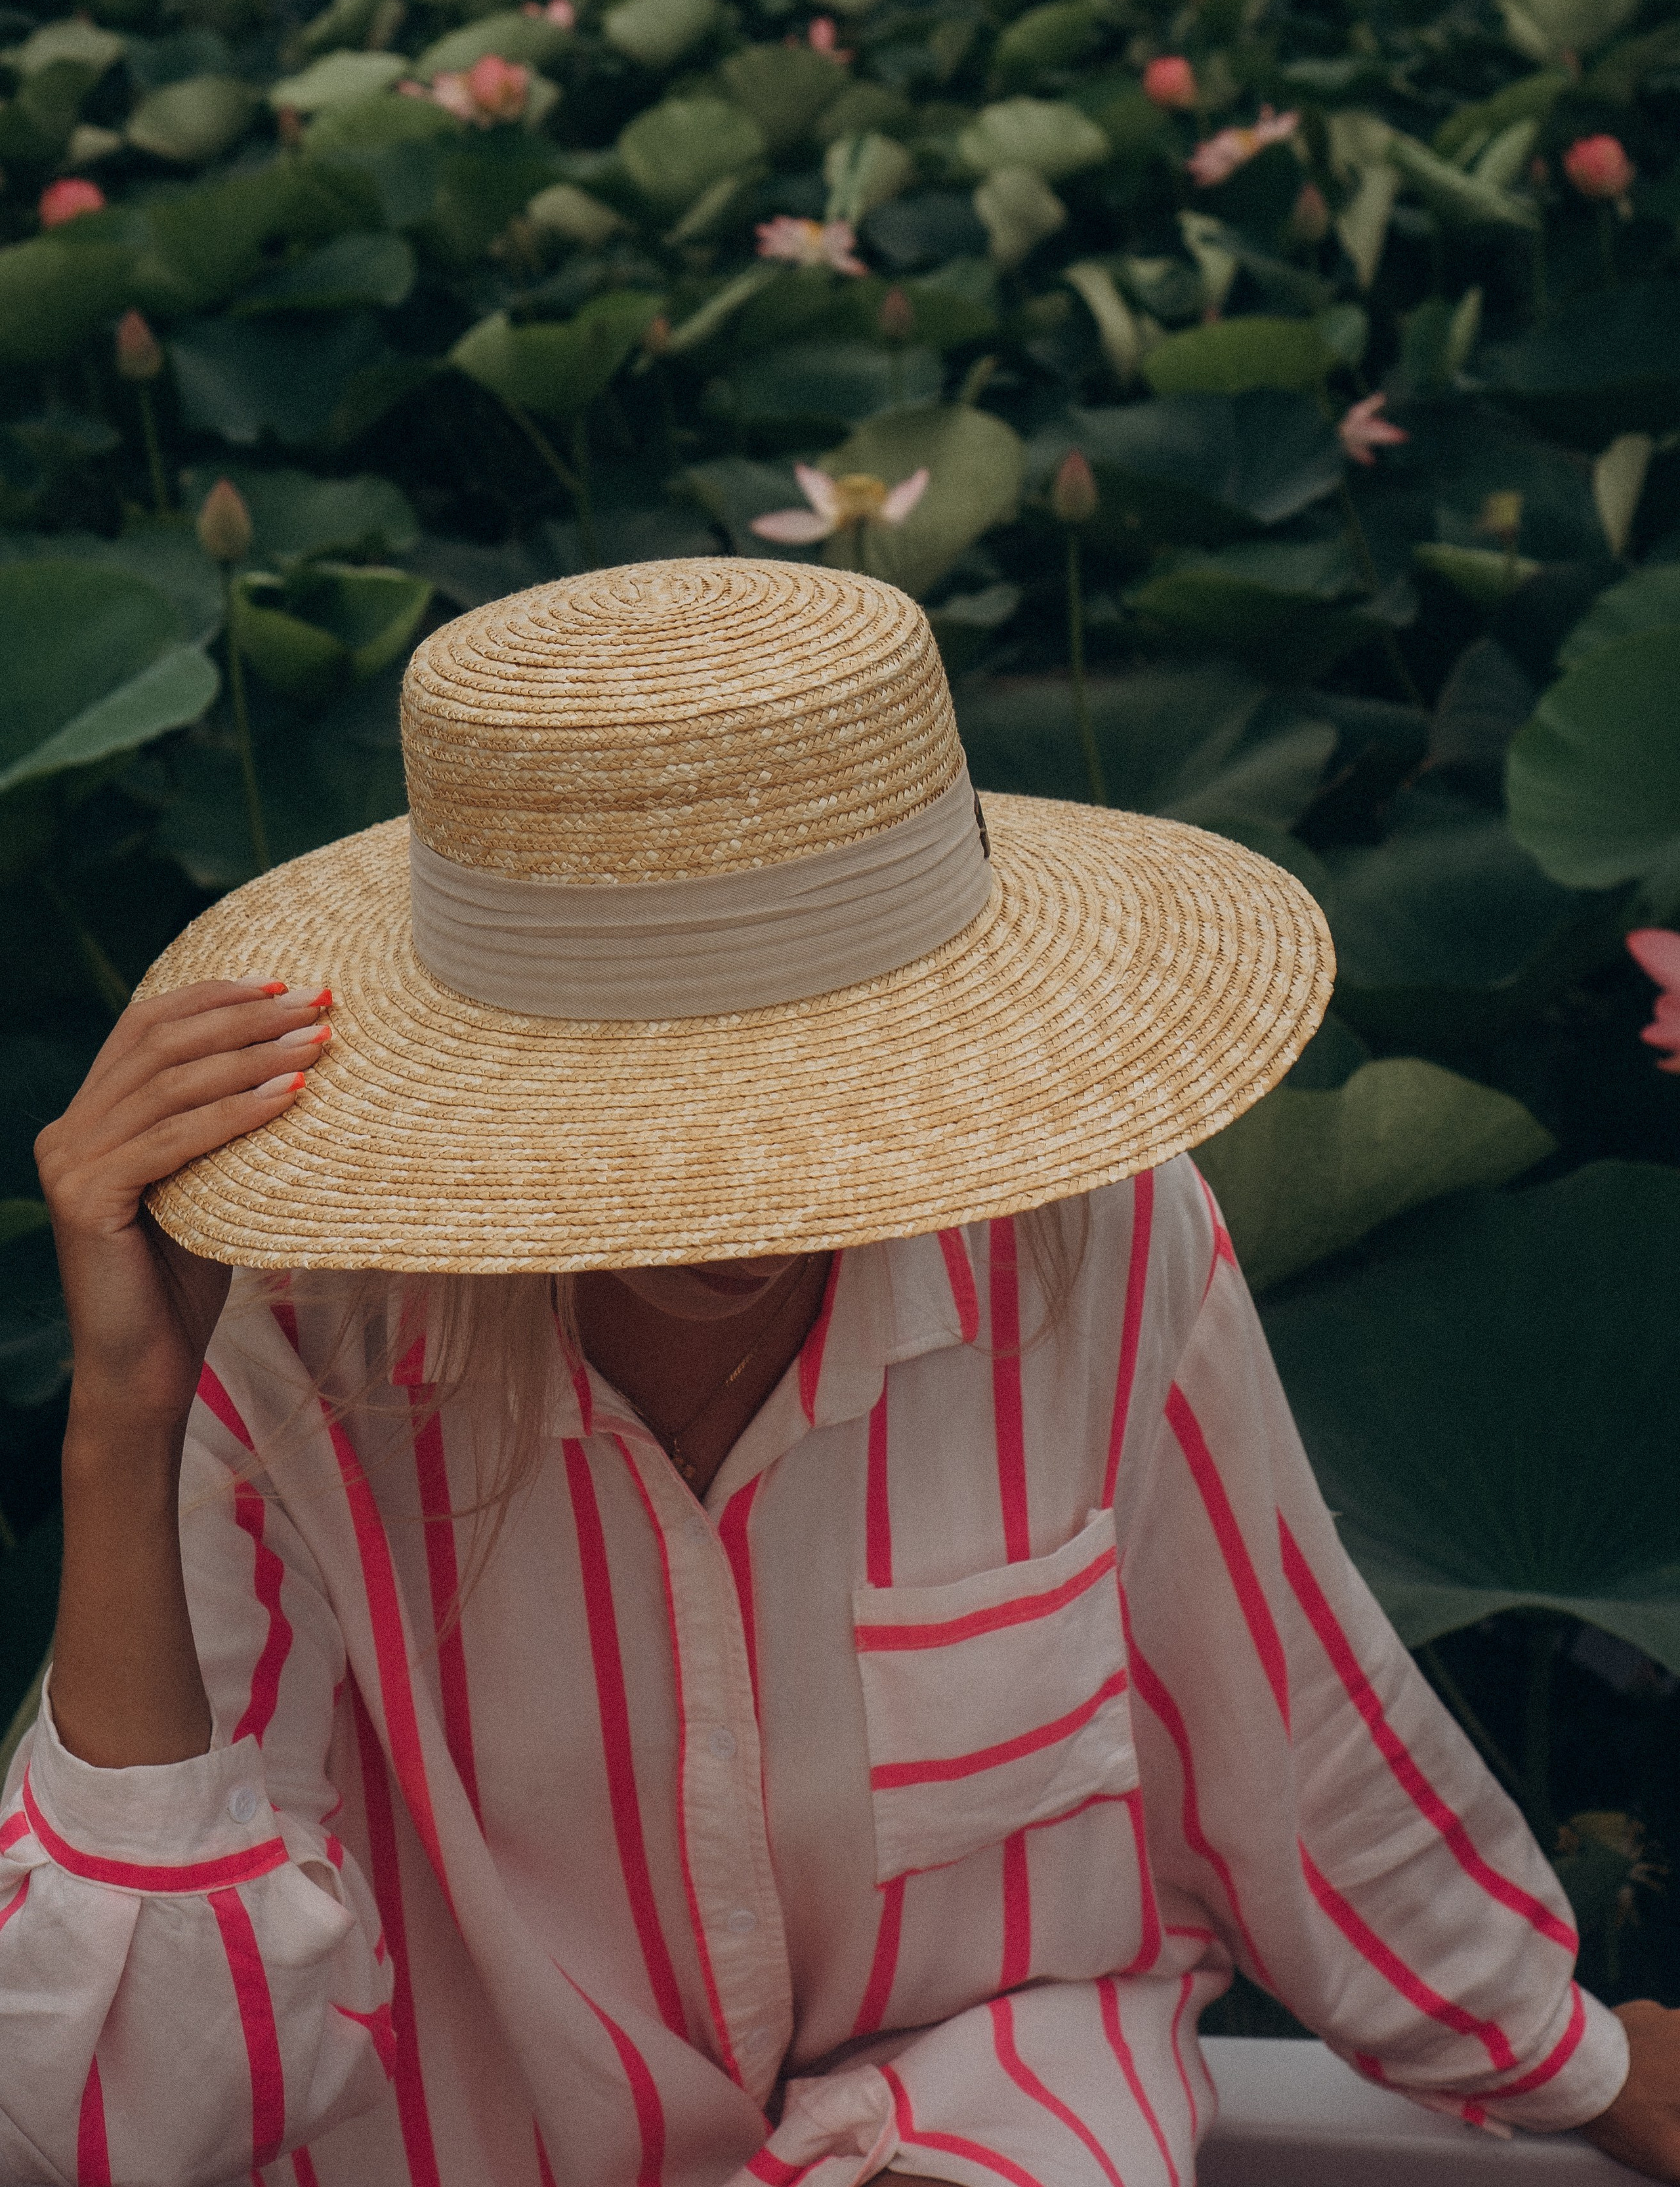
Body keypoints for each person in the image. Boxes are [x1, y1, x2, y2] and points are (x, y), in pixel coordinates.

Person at [2, 558, 1677, 2187]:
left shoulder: (1089, 1227)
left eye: (802, 1067)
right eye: (630, 1088)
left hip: (976, 2111)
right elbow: (118, 2126)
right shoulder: (298, 1327)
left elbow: (1283, 1710)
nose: (733, 1169)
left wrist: (1571, 2057)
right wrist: (123, 1430)